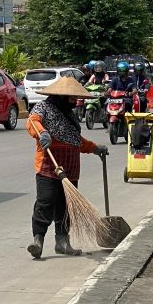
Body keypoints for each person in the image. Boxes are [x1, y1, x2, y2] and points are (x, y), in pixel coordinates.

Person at [25, 76, 107, 259]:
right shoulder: (43, 108)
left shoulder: (70, 115)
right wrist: (43, 133)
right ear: (61, 96)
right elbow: (32, 122)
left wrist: (94, 148)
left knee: (66, 206)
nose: (76, 102)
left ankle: (62, 242)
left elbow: (76, 142)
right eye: (72, 98)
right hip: (49, 165)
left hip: (70, 168)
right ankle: (38, 240)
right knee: (45, 202)